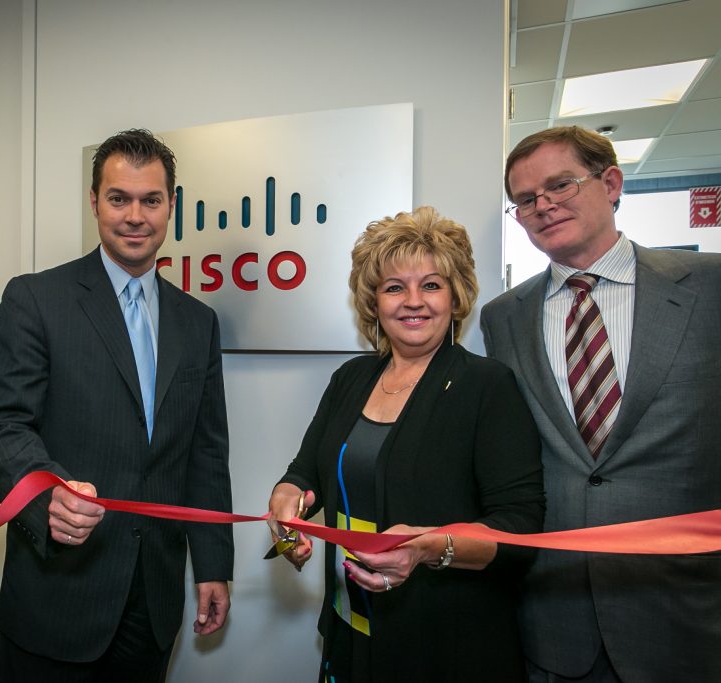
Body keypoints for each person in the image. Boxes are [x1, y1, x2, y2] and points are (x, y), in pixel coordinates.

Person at [0, 128, 233, 682]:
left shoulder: (197, 322)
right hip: (58, 596)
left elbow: (205, 455)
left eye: (151, 200)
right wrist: (47, 492)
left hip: (153, 598)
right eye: (119, 198)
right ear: (95, 203)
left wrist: (213, 565)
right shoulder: (36, 300)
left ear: (171, 206)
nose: (135, 215)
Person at [481, 125, 721, 682]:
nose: (543, 206)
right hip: (555, 617)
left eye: (560, 185)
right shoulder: (503, 317)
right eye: (525, 199)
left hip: (687, 613)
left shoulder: (709, 289)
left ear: (611, 183)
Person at [269, 206, 545, 682]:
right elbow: (306, 472)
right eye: (395, 287)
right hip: (350, 626)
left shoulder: (487, 386)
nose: (413, 301)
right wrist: (287, 499)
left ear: (455, 296)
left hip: (448, 643)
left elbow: (519, 526)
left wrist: (426, 548)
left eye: (431, 285)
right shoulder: (351, 378)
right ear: (373, 301)